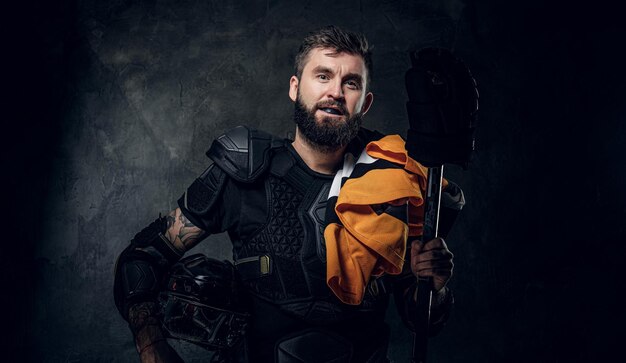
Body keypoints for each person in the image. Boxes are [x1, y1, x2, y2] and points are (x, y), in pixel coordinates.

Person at [114, 25, 465, 363]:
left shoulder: (397, 181)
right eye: (323, 76)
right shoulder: (244, 170)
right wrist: (152, 345)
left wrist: (435, 285)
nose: (336, 92)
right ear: (295, 88)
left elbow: (422, 320)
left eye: (351, 83)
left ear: (365, 103)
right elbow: (142, 259)